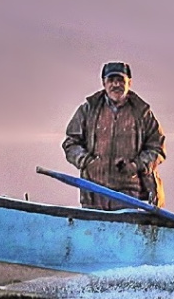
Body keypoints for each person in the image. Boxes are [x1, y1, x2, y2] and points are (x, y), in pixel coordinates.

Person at [63, 61, 166, 210]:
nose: (116, 85)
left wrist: (136, 165)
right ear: (103, 83)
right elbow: (71, 143)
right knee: (93, 231)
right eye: (111, 80)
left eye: (120, 80)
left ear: (129, 83)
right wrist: (87, 161)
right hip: (94, 190)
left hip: (129, 192)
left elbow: (157, 148)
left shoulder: (142, 113)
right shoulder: (88, 110)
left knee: (126, 231)